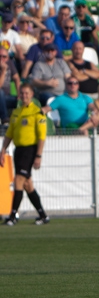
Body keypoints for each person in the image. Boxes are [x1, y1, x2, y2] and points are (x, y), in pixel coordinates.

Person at [1, 84, 49, 226]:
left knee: (19, 180)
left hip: (30, 150)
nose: (24, 96)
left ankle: (13, 216)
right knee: (27, 185)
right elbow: (9, 133)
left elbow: (42, 136)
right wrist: (3, 150)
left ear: (32, 94)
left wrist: (38, 155)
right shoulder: (16, 112)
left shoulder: (37, 112)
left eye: (27, 93)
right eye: (22, 93)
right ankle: (43, 216)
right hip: (19, 151)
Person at [0, 47, 20, 122]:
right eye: (0, 56)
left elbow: (16, 78)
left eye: (4, 57)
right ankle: (4, 118)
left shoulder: (10, 63)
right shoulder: (4, 67)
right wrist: (3, 71)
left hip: (7, 97)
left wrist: (19, 94)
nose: (1, 59)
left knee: (24, 99)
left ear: (8, 58)